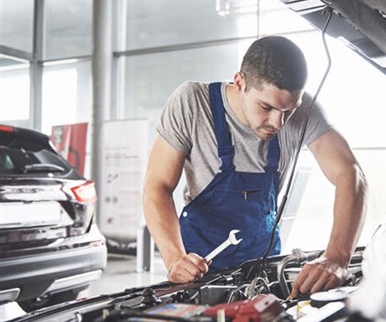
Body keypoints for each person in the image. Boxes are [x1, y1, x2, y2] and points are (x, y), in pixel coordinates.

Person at [143, 36, 367, 297]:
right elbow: (156, 186)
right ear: (240, 83)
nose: (279, 122)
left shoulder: (305, 112)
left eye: (289, 110)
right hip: (196, 274)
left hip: (263, 271)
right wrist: (174, 259)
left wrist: (337, 257)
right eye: (266, 107)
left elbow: (351, 174)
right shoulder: (193, 103)